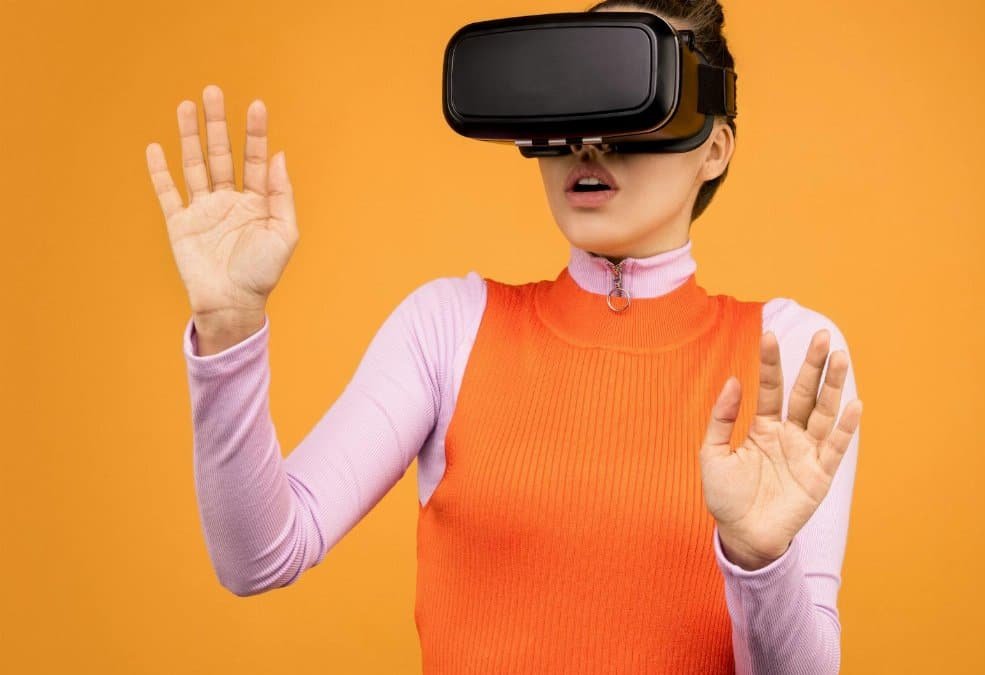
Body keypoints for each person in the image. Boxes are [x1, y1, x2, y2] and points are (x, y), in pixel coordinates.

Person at [143, 1, 863, 672]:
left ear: (714, 148)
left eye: (628, 100)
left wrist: (759, 559)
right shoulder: (447, 327)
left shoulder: (789, 354)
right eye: (571, 101)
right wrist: (229, 329)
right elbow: (258, 555)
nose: (588, 144)